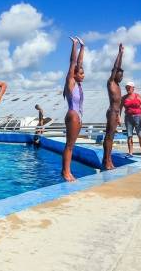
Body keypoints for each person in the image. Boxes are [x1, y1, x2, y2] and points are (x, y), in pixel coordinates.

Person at [62, 36, 85, 182]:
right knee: (69, 146)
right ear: (74, 75)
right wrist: (75, 45)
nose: (83, 75)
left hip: (78, 116)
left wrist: (83, 47)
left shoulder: (79, 85)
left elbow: (79, 63)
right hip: (73, 115)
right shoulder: (71, 82)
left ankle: (65, 171)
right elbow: (73, 63)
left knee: (72, 145)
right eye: (81, 73)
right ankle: (66, 172)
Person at [102, 44, 124, 170]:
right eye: (119, 75)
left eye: (122, 76)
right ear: (114, 75)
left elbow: (118, 67)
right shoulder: (111, 82)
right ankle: (107, 160)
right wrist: (120, 53)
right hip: (111, 112)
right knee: (109, 136)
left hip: (116, 113)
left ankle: (108, 159)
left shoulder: (118, 85)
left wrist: (119, 115)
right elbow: (116, 67)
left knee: (112, 136)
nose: (121, 78)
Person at [120, 81, 141, 158]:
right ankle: (130, 153)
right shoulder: (124, 98)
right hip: (128, 118)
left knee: (140, 135)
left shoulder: (138, 96)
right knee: (129, 136)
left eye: (129, 87)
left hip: (138, 117)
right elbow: (120, 108)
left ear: (133, 88)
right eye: (126, 87)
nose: (127, 89)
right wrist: (119, 117)